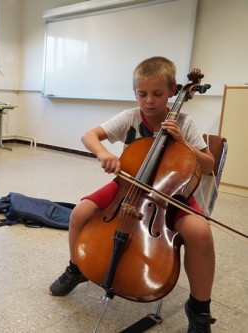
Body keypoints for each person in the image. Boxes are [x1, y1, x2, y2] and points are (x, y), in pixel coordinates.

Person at [49, 57, 216, 332]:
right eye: (142, 94)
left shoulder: (184, 122)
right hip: (128, 187)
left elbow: (207, 166)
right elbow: (88, 135)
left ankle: (199, 308)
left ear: (174, 91)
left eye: (157, 94)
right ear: (135, 93)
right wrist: (104, 153)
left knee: (200, 233)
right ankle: (76, 268)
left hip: (172, 193)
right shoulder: (129, 117)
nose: (149, 101)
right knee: (80, 212)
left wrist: (183, 142)